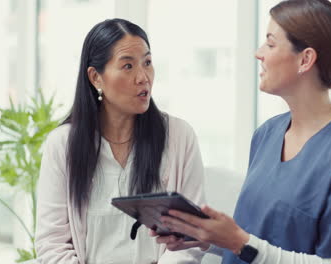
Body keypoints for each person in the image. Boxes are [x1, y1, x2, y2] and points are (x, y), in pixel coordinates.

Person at [153, 0, 331, 263]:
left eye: (271, 43)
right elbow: (256, 245)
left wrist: (239, 241)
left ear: (306, 59)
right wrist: (210, 239)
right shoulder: (267, 134)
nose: (258, 53)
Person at [35, 18, 206, 264]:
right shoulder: (62, 145)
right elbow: (51, 244)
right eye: (128, 66)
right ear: (96, 78)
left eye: (147, 63)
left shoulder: (179, 136)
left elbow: (192, 237)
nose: (143, 77)